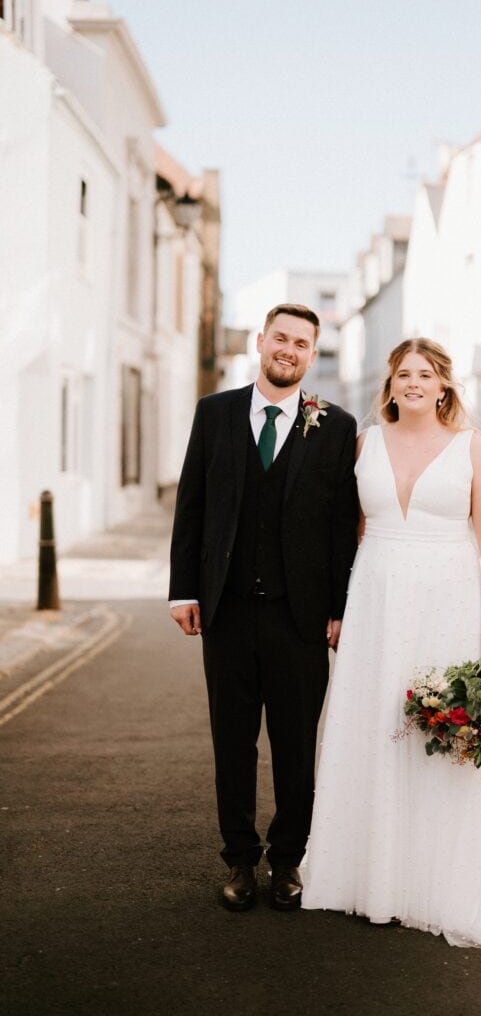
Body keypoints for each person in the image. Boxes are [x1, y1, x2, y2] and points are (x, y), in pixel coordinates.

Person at [301, 337, 481, 947]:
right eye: (404, 374)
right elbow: (351, 528)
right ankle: (374, 881)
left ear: (444, 385)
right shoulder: (365, 442)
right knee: (374, 730)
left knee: (438, 736)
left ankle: (442, 884)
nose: (414, 383)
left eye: (425, 374)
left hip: (448, 604)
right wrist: (338, 609)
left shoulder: (470, 447)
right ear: (390, 383)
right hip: (375, 603)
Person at [169, 303, 358, 912]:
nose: (290, 350)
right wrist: (184, 589)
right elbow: (192, 504)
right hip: (225, 612)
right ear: (260, 341)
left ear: (312, 355)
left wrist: (339, 608)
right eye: (281, 338)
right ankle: (240, 862)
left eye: (303, 344)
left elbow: (338, 527)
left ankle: (287, 862)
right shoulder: (215, 413)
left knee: (296, 743)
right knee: (233, 742)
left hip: (298, 617)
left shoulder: (333, 425)